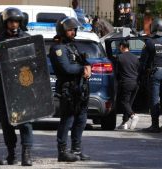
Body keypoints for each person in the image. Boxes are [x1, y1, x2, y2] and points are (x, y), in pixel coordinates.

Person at [0, 7, 33, 166]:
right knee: (6, 123)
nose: (14, 24)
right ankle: (11, 153)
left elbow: (35, 64)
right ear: (6, 22)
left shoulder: (27, 38)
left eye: (17, 21)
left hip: (23, 86)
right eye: (11, 21)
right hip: (4, 87)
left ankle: (26, 154)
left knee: (25, 121)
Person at [49, 16, 92, 162]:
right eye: (70, 30)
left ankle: (76, 150)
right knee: (67, 120)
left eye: (74, 29)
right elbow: (67, 68)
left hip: (79, 89)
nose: (73, 32)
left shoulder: (72, 46)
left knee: (81, 119)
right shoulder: (58, 48)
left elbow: (83, 62)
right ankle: (62, 152)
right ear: (62, 30)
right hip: (67, 89)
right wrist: (82, 69)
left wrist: (88, 67)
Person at [116, 40, 140, 130]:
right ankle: (124, 123)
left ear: (122, 46)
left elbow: (117, 72)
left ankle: (133, 116)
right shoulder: (135, 58)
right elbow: (138, 70)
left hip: (126, 83)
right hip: (135, 83)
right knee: (128, 103)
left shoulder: (119, 57)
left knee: (124, 102)